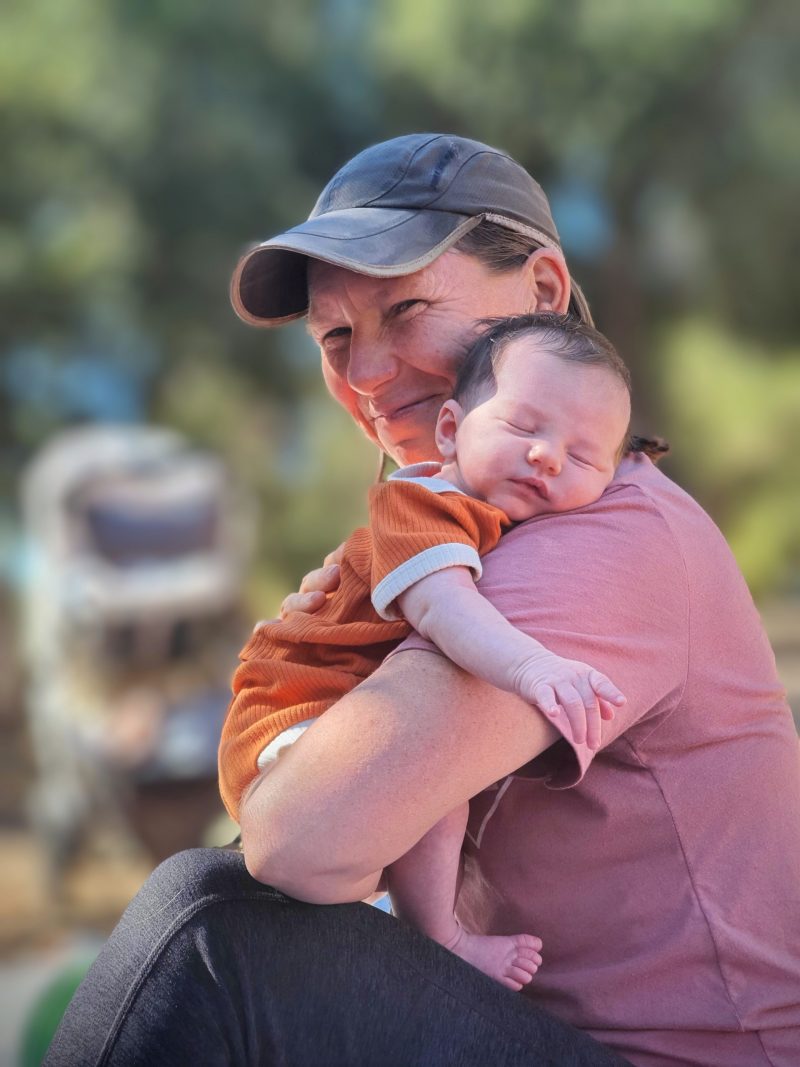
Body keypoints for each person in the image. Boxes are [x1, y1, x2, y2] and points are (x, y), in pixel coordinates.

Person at [45, 134, 800, 1067]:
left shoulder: (606, 541)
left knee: (204, 931)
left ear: (544, 293)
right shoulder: (482, 536)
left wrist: (339, 707)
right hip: (519, 1029)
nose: (364, 374)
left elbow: (300, 842)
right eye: (334, 336)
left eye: (404, 307)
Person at [220, 312, 637, 990]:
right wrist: (535, 666)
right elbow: (445, 608)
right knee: (428, 781)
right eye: (524, 427)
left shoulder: (511, 519)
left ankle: (401, 925)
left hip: (328, 722)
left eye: (586, 457)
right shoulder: (423, 500)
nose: (549, 456)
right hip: (292, 711)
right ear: (450, 431)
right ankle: (439, 936)